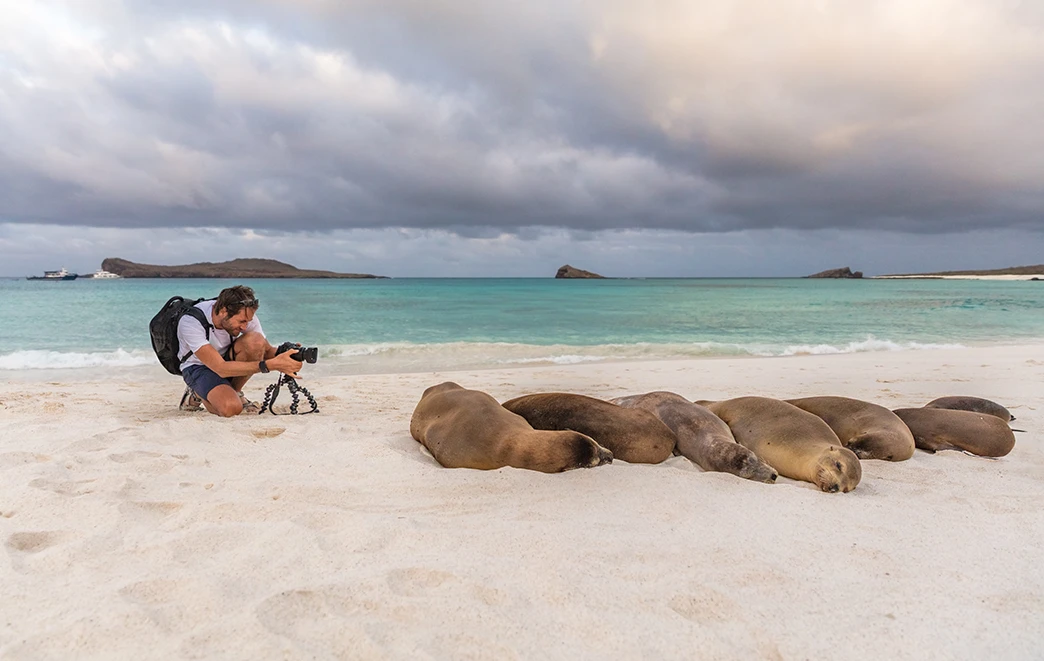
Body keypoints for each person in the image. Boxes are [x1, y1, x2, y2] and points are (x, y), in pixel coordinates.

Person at [176, 285, 302, 416]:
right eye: (241, 321)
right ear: (223, 311)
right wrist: (271, 365)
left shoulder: (245, 314)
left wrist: (289, 355)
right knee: (230, 408)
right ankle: (196, 392)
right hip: (198, 366)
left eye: (248, 321)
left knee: (256, 341)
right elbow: (220, 368)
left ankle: (234, 391)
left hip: (225, 359)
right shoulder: (191, 321)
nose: (245, 326)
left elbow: (266, 350)